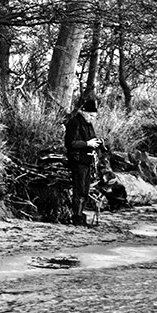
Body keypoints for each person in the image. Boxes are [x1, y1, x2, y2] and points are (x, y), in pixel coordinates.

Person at [64, 97, 102, 226]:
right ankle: (77, 217)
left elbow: (92, 140)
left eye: (94, 116)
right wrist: (87, 143)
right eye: (90, 115)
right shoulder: (74, 123)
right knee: (79, 189)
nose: (92, 118)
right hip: (77, 160)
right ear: (84, 112)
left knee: (85, 190)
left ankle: (80, 215)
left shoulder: (88, 125)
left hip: (87, 160)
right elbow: (70, 143)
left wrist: (97, 143)